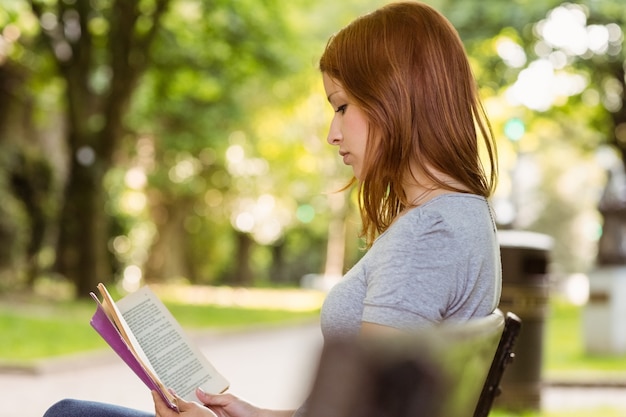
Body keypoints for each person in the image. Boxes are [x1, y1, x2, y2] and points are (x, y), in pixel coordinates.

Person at [43, 1, 500, 417]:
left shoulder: (427, 235)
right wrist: (249, 414)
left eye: (341, 107)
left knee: (69, 415)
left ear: (397, 98)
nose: (332, 134)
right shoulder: (466, 216)